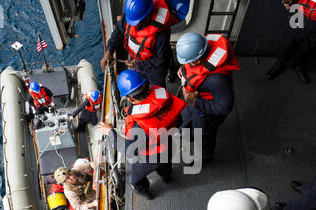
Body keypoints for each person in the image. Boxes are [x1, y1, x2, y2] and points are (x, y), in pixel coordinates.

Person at [98, 70, 187, 199]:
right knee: (165, 164)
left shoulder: (139, 125)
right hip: (168, 144)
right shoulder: (163, 95)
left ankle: (148, 194)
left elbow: (129, 150)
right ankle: (167, 178)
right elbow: (179, 120)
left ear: (130, 98)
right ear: (145, 84)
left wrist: (110, 132)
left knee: (136, 181)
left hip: (151, 157)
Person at [176, 32, 240, 164]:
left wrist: (195, 101)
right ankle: (188, 134)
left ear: (198, 60)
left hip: (206, 112)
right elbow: (190, 66)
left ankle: (205, 156)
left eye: (188, 62)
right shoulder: (201, 47)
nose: (186, 64)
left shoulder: (218, 80)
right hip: (192, 105)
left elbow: (225, 107)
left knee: (205, 135)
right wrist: (183, 70)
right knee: (185, 119)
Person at [100, 0, 179, 87]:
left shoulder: (161, 35)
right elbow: (117, 33)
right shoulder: (131, 17)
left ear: (148, 15)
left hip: (155, 67)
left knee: (158, 89)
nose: (135, 25)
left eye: (138, 22)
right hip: (140, 60)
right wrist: (108, 51)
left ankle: (171, 68)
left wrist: (137, 64)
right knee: (142, 81)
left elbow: (160, 61)